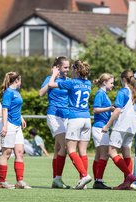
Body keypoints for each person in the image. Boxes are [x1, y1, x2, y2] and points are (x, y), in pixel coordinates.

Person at [48, 60, 92, 189]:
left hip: (75, 118)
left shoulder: (71, 82)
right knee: (82, 151)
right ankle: (82, 182)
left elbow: (51, 84)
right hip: (87, 119)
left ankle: (84, 176)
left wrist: (54, 73)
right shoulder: (88, 83)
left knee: (71, 149)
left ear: (75, 70)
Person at [102, 70, 136, 190]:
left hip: (122, 125)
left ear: (123, 79)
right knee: (126, 152)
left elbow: (117, 111)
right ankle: (126, 183)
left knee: (111, 152)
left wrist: (107, 125)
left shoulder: (123, 91)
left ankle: (129, 175)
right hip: (132, 126)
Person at [39, 56, 70, 189]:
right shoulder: (50, 79)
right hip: (54, 115)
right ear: (58, 68)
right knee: (65, 147)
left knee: (58, 148)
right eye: (65, 67)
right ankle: (58, 178)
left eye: (69, 67)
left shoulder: (68, 81)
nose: (68, 70)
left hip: (66, 116)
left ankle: (55, 180)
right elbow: (41, 93)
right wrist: (52, 76)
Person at [0, 72, 31, 189]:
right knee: (6, 153)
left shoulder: (16, 92)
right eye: (20, 80)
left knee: (20, 152)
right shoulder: (8, 93)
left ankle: (20, 181)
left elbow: (15, 108)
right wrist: (5, 126)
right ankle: (1, 182)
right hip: (9, 125)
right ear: (16, 80)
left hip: (17, 126)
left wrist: (21, 118)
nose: (21, 83)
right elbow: (5, 110)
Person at [91, 73, 115, 189]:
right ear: (104, 82)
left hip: (100, 126)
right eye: (111, 83)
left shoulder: (104, 94)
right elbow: (95, 109)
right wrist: (110, 108)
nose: (113, 85)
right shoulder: (100, 93)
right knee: (104, 155)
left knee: (98, 155)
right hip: (100, 127)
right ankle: (98, 181)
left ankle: (97, 181)